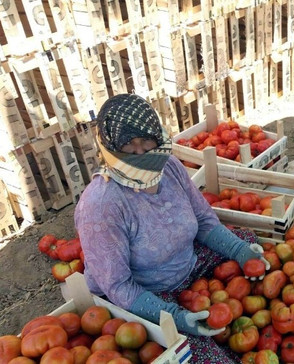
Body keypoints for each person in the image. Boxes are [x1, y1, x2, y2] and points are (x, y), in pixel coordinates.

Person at [74, 93, 267, 363]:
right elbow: (118, 286)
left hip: (189, 265)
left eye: (146, 140)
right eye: (129, 145)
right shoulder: (103, 204)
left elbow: (203, 220)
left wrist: (240, 250)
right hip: (146, 295)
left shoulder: (170, 167)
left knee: (249, 243)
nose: (141, 151)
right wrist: (175, 318)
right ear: (109, 148)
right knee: (204, 355)